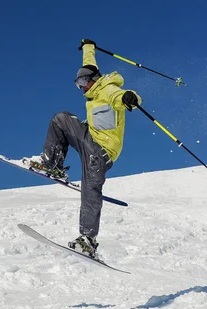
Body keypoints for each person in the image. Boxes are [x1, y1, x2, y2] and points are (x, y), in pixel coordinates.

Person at [24, 38, 142, 258]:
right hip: (89, 138)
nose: (81, 88)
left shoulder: (108, 91)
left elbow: (121, 98)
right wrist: (89, 47)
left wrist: (130, 98)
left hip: (102, 152)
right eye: (77, 84)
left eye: (82, 83)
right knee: (61, 118)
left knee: (90, 191)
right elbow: (90, 62)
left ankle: (87, 240)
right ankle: (52, 163)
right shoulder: (94, 87)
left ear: (93, 80)